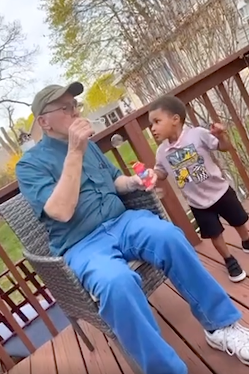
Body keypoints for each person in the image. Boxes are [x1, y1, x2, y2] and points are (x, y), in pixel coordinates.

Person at [16, 83, 249, 374]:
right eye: (65, 108)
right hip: (82, 244)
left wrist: (135, 182)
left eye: (75, 105)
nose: (75, 111)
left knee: (169, 237)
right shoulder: (30, 166)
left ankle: (221, 326)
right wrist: (75, 151)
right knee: (116, 284)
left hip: (123, 221)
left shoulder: (89, 147)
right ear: (44, 122)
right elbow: (60, 212)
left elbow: (115, 181)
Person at [149, 95, 249, 284]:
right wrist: (152, 175)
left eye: (157, 122)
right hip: (197, 202)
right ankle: (229, 260)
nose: (152, 128)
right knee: (214, 234)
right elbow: (161, 172)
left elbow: (225, 147)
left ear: (175, 119)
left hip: (220, 191)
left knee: (239, 220)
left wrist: (221, 136)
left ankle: (245, 239)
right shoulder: (162, 152)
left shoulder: (197, 134)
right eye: (151, 124)